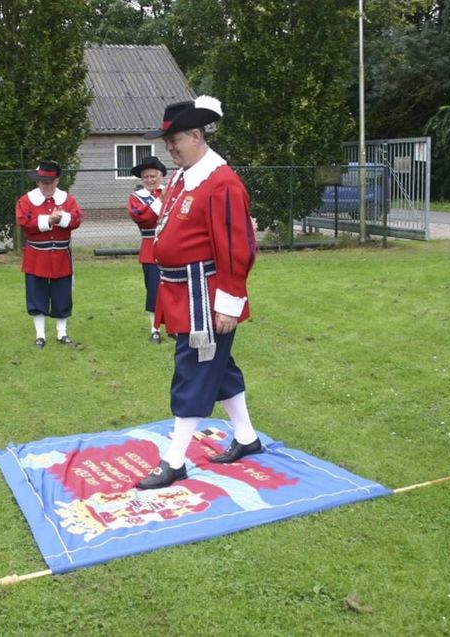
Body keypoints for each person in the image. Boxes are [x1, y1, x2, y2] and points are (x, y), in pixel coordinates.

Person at [136, 97, 260, 489]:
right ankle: (247, 438)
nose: (169, 147)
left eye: (175, 140)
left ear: (196, 134)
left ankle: (175, 461)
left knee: (192, 369)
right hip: (180, 290)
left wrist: (228, 304)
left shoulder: (220, 181)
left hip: (203, 294)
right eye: (166, 141)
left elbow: (237, 248)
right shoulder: (184, 175)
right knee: (219, 369)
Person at [15, 160, 84, 348]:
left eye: (51, 182)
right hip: (37, 255)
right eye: (43, 182)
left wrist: (63, 218)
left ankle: (62, 333)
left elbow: (77, 218)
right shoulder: (26, 200)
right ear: (37, 182)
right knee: (37, 295)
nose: (47, 186)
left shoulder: (67, 199)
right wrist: (48, 219)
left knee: (62, 295)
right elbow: (24, 222)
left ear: (57, 180)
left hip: (61, 255)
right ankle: (40, 335)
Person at [126, 155, 169, 343]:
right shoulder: (136, 198)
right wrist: (161, 202)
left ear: (160, 176)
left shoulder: (172, 192)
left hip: (174, 247)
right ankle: (155, 329)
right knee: (154, 289)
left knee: (175, 289)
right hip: (150, 248)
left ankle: (174, 326)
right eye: (146, 177)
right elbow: (142, 218)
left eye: (153, 176)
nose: (150, 180)